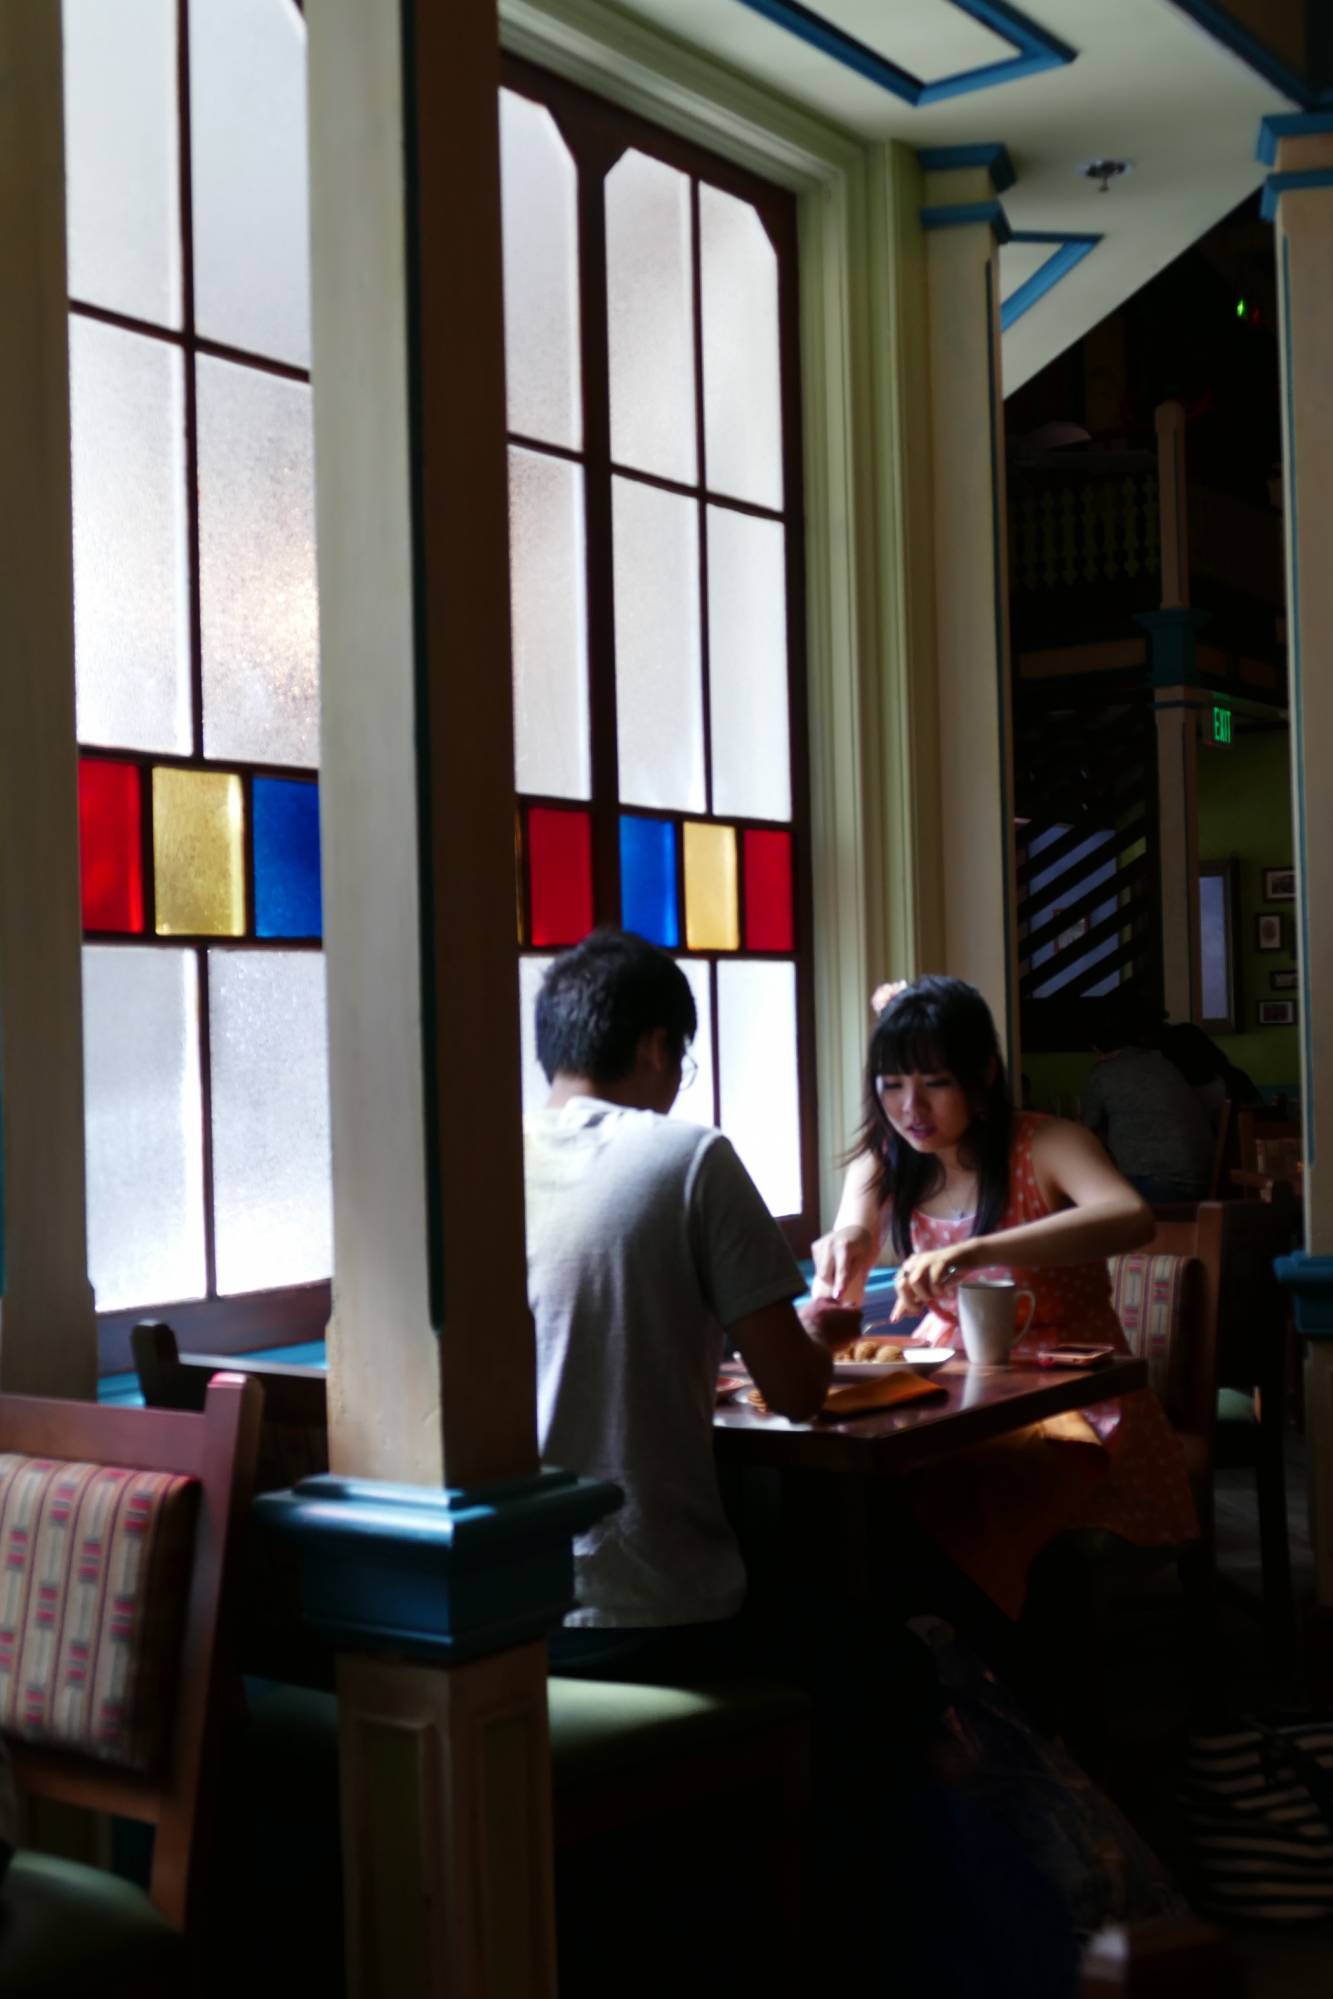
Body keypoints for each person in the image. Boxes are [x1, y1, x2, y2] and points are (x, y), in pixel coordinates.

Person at [525, 928, 856, 1682]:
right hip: (650, 1611)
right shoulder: (689, 1155)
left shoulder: (481, 1158)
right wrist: (815, 1336)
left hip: (495, 1614)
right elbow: (798, 1392)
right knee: (894, 1651)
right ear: (655, 1047)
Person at [812, 975, 1197, 1620]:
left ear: (984, 1075)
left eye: (935, 1083)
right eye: (892, 1085)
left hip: (1079, 1396)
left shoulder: (1045, 1142)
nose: (911, 1108)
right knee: (860, 1496)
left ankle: (1004, 1683)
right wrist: (845, 1242)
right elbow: (854, 1225)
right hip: (954, 1394)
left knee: (977, 1489)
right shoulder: (885, 1158)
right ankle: (941, 1677)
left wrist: (981, 1249)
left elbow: (1132, 1218)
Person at [1082, 994, 1217, 1202]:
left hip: (1158, 1186)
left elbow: (1086, 1130)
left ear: (1097, 1049)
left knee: (1086, 1196)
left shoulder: (1103, 1073)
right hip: (1201, 1180)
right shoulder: (1162, 1062)